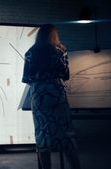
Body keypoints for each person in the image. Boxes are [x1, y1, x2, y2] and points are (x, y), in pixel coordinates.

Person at [22, 24, 81, 169]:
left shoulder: (30, 52)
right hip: (56, 94)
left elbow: (26, 78)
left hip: (39, 96)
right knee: (65, 133)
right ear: (53, 35)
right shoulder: (60, 51)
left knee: (42, 133)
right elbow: (65, 75)